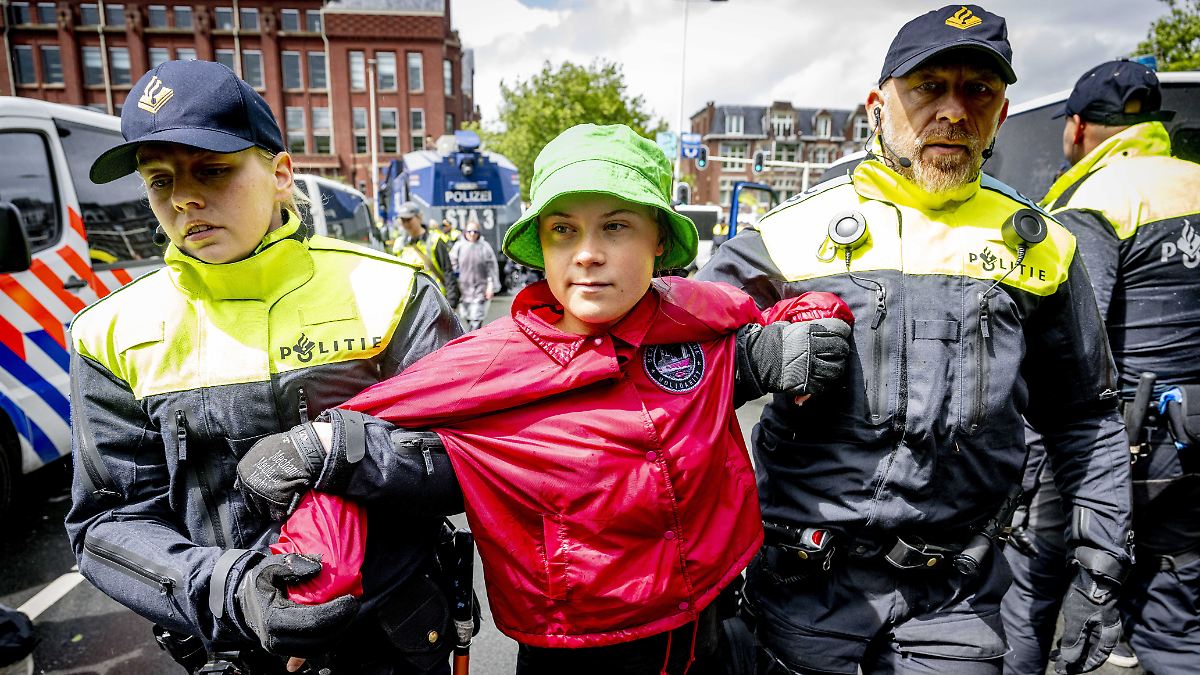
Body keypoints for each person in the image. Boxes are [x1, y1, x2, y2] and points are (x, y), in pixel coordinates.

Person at [234, 123, 853, 674]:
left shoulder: (697, 318)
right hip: (579, 652)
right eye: (564, 230)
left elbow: (761, 324)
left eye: (615, 225)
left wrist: (803, 332)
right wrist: (319, 515)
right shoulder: (491, 362)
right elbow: (369, 431)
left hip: (712, 625)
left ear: (659, 240)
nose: (587, 253)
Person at [697, 6, 1133, 674]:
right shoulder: (787, 235)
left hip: (959, 602)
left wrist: (1100, 565)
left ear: (1001, 113)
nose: (953, 111)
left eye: (977, 91)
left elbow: (1086, 417)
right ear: (877, 108)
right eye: (929, 87)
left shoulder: (1045, 248)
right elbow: (673, 377)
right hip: (801, 593)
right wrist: (757, 361)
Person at [64, 60, 463, 675]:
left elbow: (470, 459)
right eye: (159, 180)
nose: (183, 198)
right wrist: (234, 591)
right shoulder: (109, 332)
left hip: (397, 643)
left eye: (212, 169)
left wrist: (336, 450)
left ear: (281, 174)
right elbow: (108, 522)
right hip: (233, 653)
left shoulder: (394, 292)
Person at [1001, 60, 1200, 675]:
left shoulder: (1092, 200)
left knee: (1030, 592)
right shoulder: (1194, 179)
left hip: (1115, 446)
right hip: (1190, 435)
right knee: (1175, 615)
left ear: (1080, 127)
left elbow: (1064, 345)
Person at [392, 203, 461, 307]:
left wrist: (451, 303)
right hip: (410, 303)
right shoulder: (399, 244)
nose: (406, 223)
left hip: (436, 302)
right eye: (403, 220)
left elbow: (448, 272)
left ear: (419, 217)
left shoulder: (435, 240)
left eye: (409, 219)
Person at [449, 220, 499, 330]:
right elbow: (451, 265)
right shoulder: (458, 246)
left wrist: (490, 286)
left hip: (480, 289)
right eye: (469, 231)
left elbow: (491, 268)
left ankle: (473, 337)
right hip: (463, 290)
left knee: (477, 318)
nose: (472, 234)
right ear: (465, 232)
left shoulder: (484, 247)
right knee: (467, 316)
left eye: (475, 231)